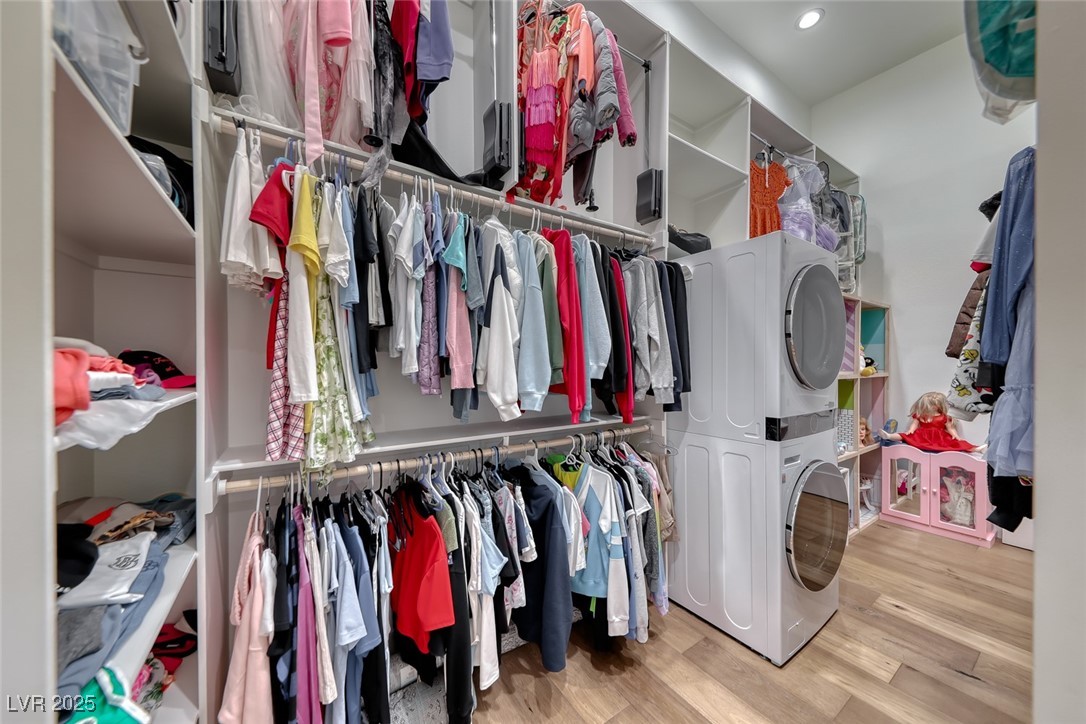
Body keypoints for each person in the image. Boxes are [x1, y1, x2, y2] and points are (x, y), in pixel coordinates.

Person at [879, 391, 983, 453]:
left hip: (939, 437)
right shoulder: (921, 415)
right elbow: (914, 423)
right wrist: (911, 430)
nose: (931, 407)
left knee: (958, 443)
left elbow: (950, 427)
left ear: (939, 405)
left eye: (933, 405)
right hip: (922, 435)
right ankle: (889, 436)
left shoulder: (944, 417)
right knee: (903, 435)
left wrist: (955, 435)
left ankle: (976, 449)